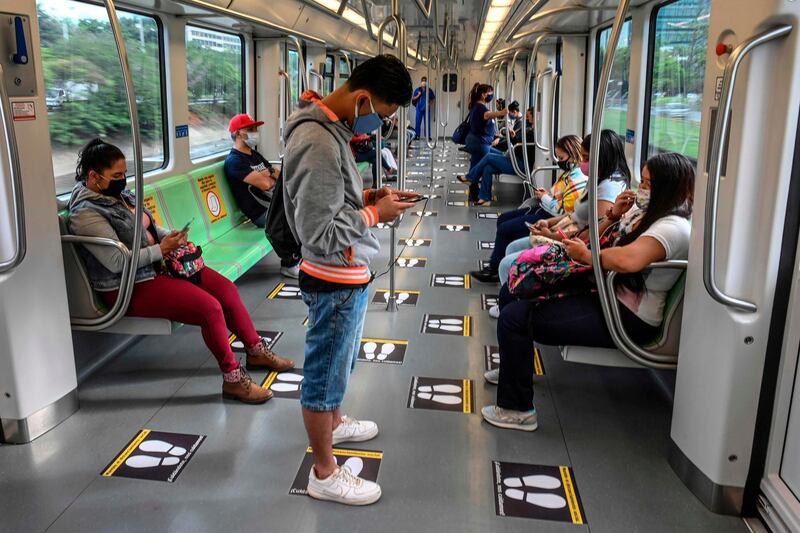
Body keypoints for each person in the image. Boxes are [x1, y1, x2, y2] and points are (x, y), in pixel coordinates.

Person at [282, 54, 416, 506]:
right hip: (332, 275)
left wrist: (370, 196)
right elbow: (318, 232)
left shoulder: (334, 131)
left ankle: (335, 423)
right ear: (362, 98)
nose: (379, 125)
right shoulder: (318, 142)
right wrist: (376, 213)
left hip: (347, 271)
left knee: (340, 366)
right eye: (382, 115)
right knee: (323, 377)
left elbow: (333, 199)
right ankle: (324, 472)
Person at [68, 139, 294, 404]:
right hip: (127, 285)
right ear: (94, 176)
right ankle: (233, 380)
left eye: (125, 174)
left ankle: (256, 350)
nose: (124, 180)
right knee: (209, 308)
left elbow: (150, 228)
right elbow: (117, 261)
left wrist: (171, 237)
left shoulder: (121, 196)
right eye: (117, 175)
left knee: (226, 291)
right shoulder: (85, 214)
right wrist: (161, 249)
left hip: (161, 267)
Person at [481, 152, 694, 431]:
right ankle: (515, 367)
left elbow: (629, 260)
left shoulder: (672, 227)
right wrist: (614, 215)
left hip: (628, 315)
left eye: (649, 184)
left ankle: (517, 409)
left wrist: (585, 257)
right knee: (516, 288)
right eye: (641, 182)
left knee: (515, 318)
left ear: (669, 187)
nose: (642, 190)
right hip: (605, 291)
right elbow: (601, 237)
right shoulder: (645, 214)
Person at [493, 130, 631, 291]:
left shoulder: (608, 190)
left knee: (506, 264)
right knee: (512, 247)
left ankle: (512, 297)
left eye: (586, 159)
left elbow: (591, 235)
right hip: (568, 231)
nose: (582, 164)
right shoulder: (597, 179)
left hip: (574, 246)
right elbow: (574, 213)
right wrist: (549, 222)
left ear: (602, 158)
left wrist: (549, 234)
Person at [470, 134, 587, 283]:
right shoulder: (569, 173)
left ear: (573, 156)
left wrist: (545, 197)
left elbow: (562, 210)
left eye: (562, 158)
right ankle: (497, 262)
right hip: (542, 208)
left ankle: (494, 270)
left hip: (549, 215)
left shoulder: (577, 179)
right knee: (503, 219)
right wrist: (545, 196)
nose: (559, 162)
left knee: (506, 228)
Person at [224, 113, 300, 279]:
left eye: (255, 129)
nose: (254, 132)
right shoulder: (235, 161)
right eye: (250, 129)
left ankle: (306, 257)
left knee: (305, 208)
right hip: (260, 211)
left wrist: (269, 172)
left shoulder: (254, 155)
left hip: (272, 203)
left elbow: (278, 175)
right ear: (237, 133)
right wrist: (269, 175)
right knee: (293, 217)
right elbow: (266, 184)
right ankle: (290, 263)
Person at [456, 106, 534, 206]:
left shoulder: (532, 133)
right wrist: (513, 138)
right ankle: (484, 198)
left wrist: (514, 140)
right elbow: (517, 143)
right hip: (513, 157)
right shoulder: (527, 128)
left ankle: (470, 177)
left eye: (528, 116)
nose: (527, 118)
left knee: (488, 156)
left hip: (520, 164)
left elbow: (523, 149)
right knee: (488, 168)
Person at [464, 84, 508, 201]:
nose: (491, 95)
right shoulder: (481, 108)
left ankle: (473, 192)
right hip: (480, 143)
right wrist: (501, 113)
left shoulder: (475, 106)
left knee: (476, 165)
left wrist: (495, 135)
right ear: (483, 95)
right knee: (485, 164)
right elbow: (487, 115)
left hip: (478, 142)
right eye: (490, 93)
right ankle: (473, 187)